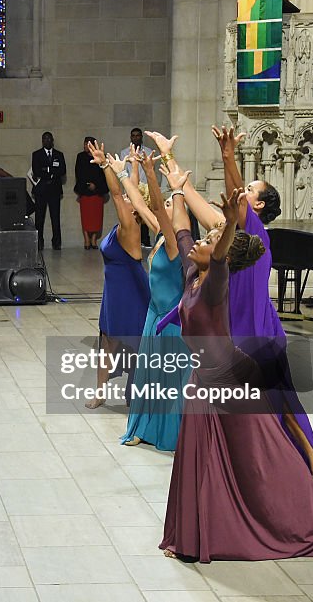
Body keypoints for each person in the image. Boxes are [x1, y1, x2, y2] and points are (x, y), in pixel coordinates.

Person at [157, 176, 313, 563]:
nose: (200, 244)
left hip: (234, 381)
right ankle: (190, 536)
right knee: (198, 457)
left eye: (209, 243)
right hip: (203, 382)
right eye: (205, 241)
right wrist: (175, 186)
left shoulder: (215, 283)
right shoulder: (193, 273)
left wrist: (225, 222)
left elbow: (221, 252)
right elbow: (181, 227)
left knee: (264, 457)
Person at [150, 128, 313, 500]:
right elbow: (188, 197)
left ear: (259, 206)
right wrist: (169, 159)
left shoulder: (256, 235)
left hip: (259, 335)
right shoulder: (227, 235)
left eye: (250, 190)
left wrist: (230, 157)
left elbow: (236, 206)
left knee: (278, 404)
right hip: (234, 334)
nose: (241, 193)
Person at [115, 149, 192, 450]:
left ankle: (168, 433)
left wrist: (151, 172)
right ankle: (142, 428)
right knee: (146, 377)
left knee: (168, 382)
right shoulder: (161, 234)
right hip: (153, 314)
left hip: (171, 320)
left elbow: (158, 206)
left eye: (172, 204)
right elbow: (139, 203)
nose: (165, 207)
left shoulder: (176, 244)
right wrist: (122, 172)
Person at [84, 142, 150, 409]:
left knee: (133, 342)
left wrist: (104, 165)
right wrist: (133, 164)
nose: (124, 198)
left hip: (130, 291)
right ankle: (100, 391)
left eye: (129, 199)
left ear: (135, 208)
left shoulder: (130, 228)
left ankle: (136, 391)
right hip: (113, 291)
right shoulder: (123, 222)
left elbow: (115, 192)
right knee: (106, 341)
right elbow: (129, 190)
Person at [31, 131, 66, 250]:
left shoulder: (59, 154)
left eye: (49, 139)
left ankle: (56, 242)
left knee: (55, 218)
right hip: (41, 191)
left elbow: (62, 171)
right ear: (42, 141)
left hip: (55, 190)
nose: (47, 141)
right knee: (39, 218)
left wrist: (47, 169)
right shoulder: (36, 154)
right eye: (45, 139)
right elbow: (36, 171)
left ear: (52, 140)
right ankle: (38, 242)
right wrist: (50, 173)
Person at [74, 136, 108, 249]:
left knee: (96, 217)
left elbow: (103, 175)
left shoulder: (100, 157)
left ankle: (94, 239)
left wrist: (96, 186)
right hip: (84, 191)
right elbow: (79, 174)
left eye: (87, 144)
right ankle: (86, 240)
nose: (85, 146)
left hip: (98, 192)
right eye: (84, 144)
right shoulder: (80, 157)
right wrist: (88, 185)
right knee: (86, 216)